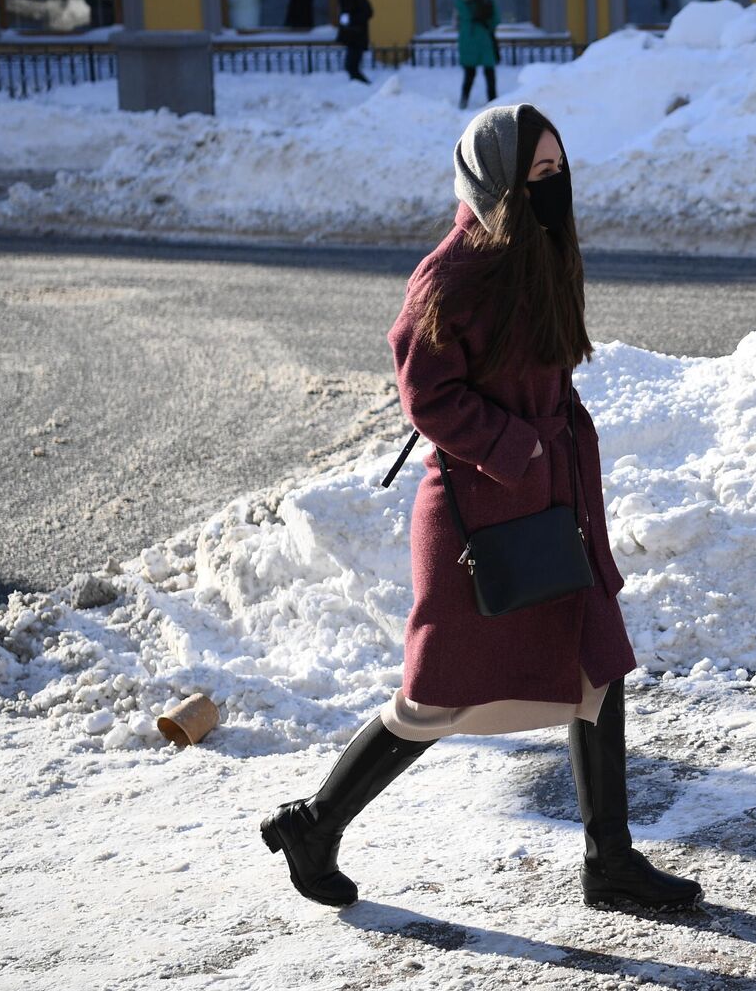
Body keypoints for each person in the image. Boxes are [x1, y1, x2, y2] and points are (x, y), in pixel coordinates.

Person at [259, 103, 704, 914]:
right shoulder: (453, 272)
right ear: (496, 179)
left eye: (560, 172)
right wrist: (519, 451)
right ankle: (315, 825)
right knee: (434, 701)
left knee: (597, 665)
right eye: (538, 175)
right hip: (480, 514)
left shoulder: (536, 252)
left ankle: (611, 861)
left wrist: (551, 457)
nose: (555, 186)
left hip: (551, 500)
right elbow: (424, 392)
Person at [455, 0, 500, 108]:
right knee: (489, 72)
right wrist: (489, 28)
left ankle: (464, 100)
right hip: (484, 37)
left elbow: (456, 20)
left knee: (469, 73)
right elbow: (496, 18)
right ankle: (494, 102)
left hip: (467, 36)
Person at [334, 0, 373, 83]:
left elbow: (368, 12)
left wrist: (351, 19)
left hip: (357, 34)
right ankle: (358, 86)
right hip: (350, 35)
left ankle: (364, 86)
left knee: (351, 66)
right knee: (351, 66)